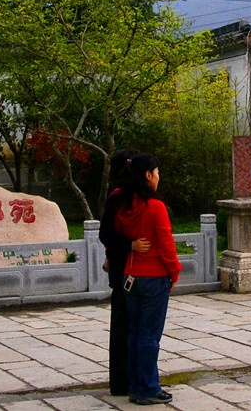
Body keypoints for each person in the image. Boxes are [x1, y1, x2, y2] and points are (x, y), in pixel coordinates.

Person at [115, 153, 181, 406]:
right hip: (154, 278)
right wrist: (174, 272)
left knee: (135, 334)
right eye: (157, 172)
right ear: (147, 175)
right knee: (149, 336)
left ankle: (136, 385)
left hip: (131, 277)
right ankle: (148, 388)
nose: (158, 177)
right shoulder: (155, 207)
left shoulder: (125, 207)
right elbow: (166, 245)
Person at [99, 149, 151, 396]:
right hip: (122, 269)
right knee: (122, 326)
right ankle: (121, 382)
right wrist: (127, 246)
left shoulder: (134, 196)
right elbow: (105, 235)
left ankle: (136, 378)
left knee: (137, 326)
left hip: (136, 269)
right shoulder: (117, 197)